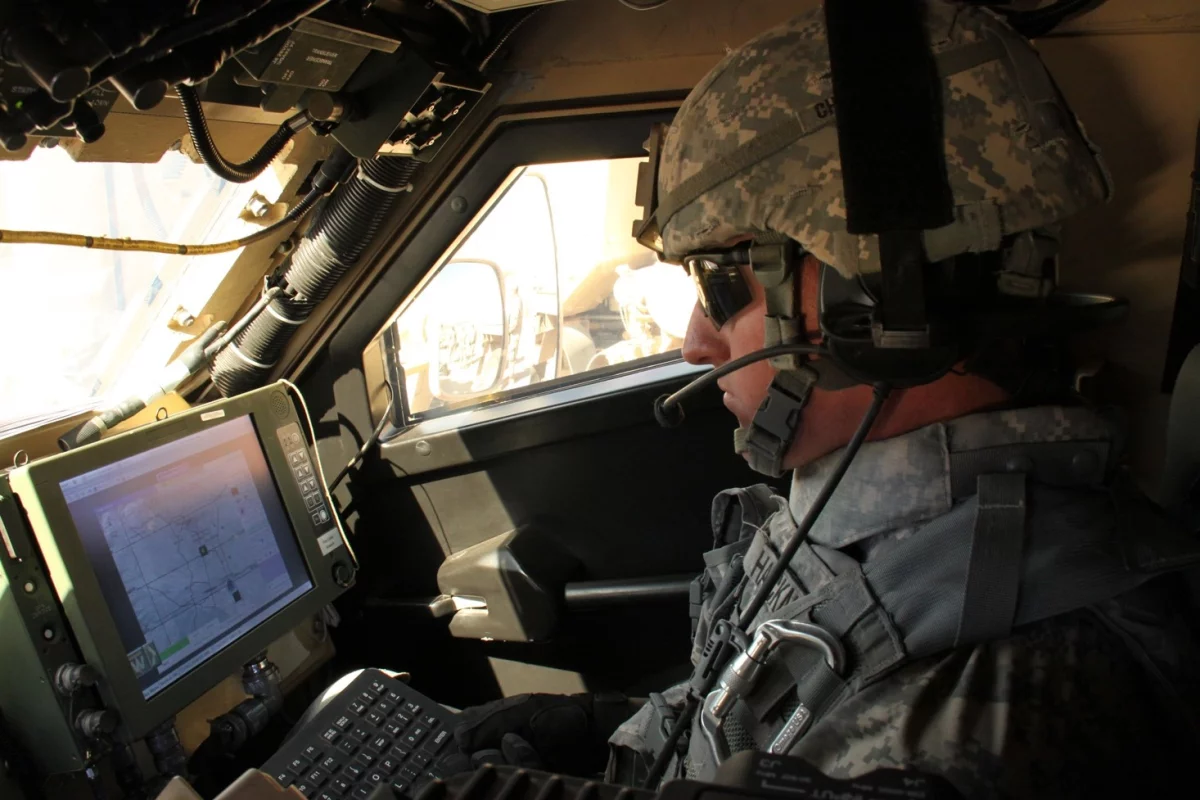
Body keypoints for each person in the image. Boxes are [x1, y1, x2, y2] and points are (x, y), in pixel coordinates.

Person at [445, 2, 1200, 796]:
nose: (693, 344)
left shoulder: (997, 703)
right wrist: (616, 736)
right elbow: (765, 701)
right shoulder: (880, 514)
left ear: (874, 302)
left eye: (719, 285)